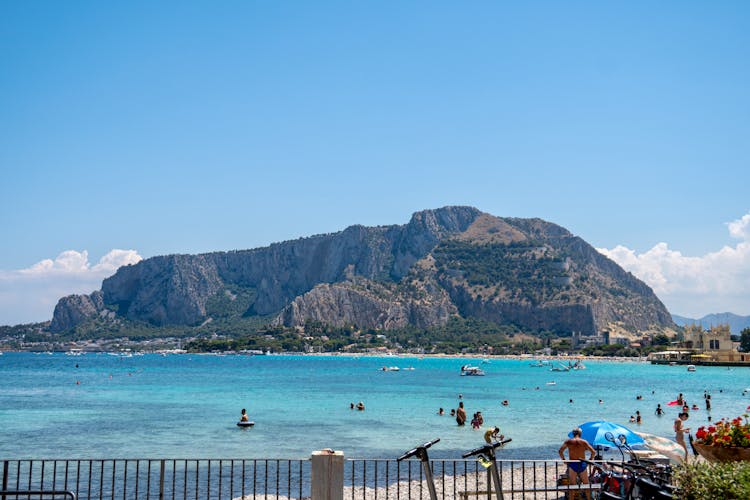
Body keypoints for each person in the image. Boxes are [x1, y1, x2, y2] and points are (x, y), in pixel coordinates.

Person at [559, 428, 596, 499]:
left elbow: (560, 451)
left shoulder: (568, 441)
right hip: (582, 463)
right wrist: (590, 460)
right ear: (580, 434)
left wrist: (564, 460)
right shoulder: (584, 442)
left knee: (572, 486)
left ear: (573, 434)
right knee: (586, 485)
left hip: (572, 464)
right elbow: (593, 452)